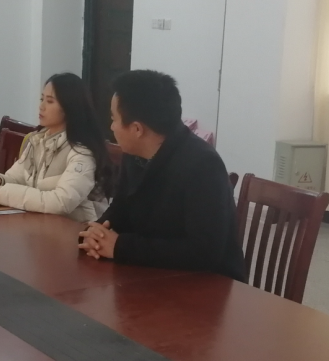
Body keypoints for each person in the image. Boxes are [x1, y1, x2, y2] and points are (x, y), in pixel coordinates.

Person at [79, 69, 246, 280]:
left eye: (114, 119)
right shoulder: (135, 153)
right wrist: (95, 235)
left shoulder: (203, 165)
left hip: (206, 285)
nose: (111, 127)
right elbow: (120, 209)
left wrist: (121, 247)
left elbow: (204, 251)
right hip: (153, 274)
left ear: (137, 129)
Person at [0, 73, 112, 222]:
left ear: (69, 107)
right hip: (43, 224)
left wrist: (4, 194)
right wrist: (0, 181)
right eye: (42, 99)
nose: (41, 106)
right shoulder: (37, 140)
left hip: (77, 229)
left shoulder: (82, 151)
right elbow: (18, 176)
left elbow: (61, 202)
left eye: (50, 101)